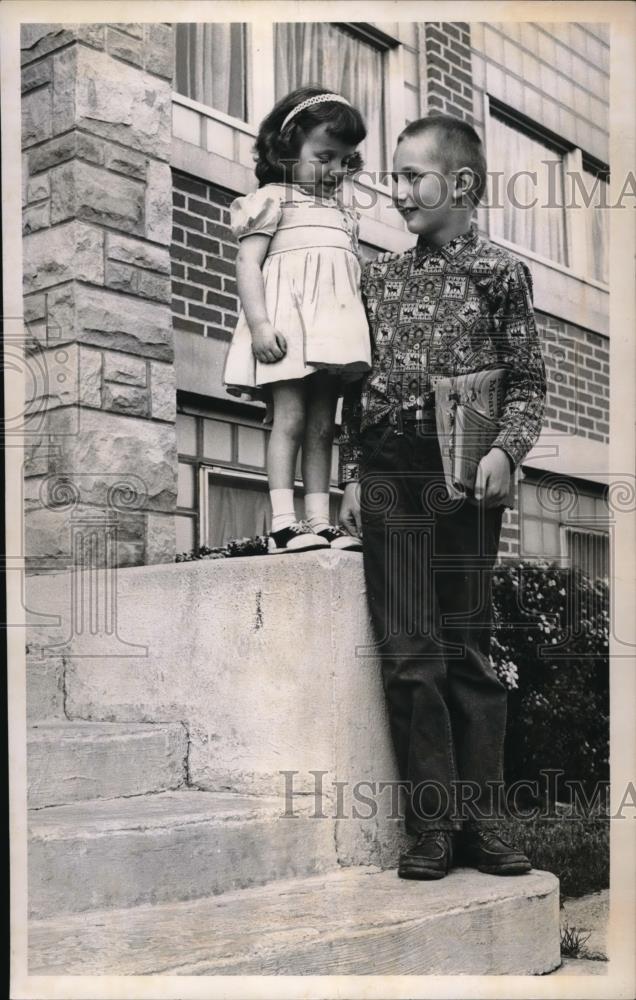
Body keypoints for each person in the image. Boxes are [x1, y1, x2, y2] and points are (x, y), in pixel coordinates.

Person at [338, 115, 547, 879]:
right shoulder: (381, 277)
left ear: (460, 185)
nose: (395, 191)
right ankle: (430, 828)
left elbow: (528, 381)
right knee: (408, 654)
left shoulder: (500, 273)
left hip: (465, 472)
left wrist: (505, 451)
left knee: (466, 651)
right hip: (393, 471)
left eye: (409, 176)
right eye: (391, 177)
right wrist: (356, 477)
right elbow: (357, 393)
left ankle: (485, 826)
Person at [223, 87, 372, 554]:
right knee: (288, 418)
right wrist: (261, 326)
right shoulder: (272, 200)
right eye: (324, 156)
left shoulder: (343, 215)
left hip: (329, 336)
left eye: (345, 161)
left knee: (324, 426)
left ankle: (318, 521)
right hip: (287, 330)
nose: (335, 171)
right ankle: (284, 524)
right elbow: (248, 266)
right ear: (288, 147)